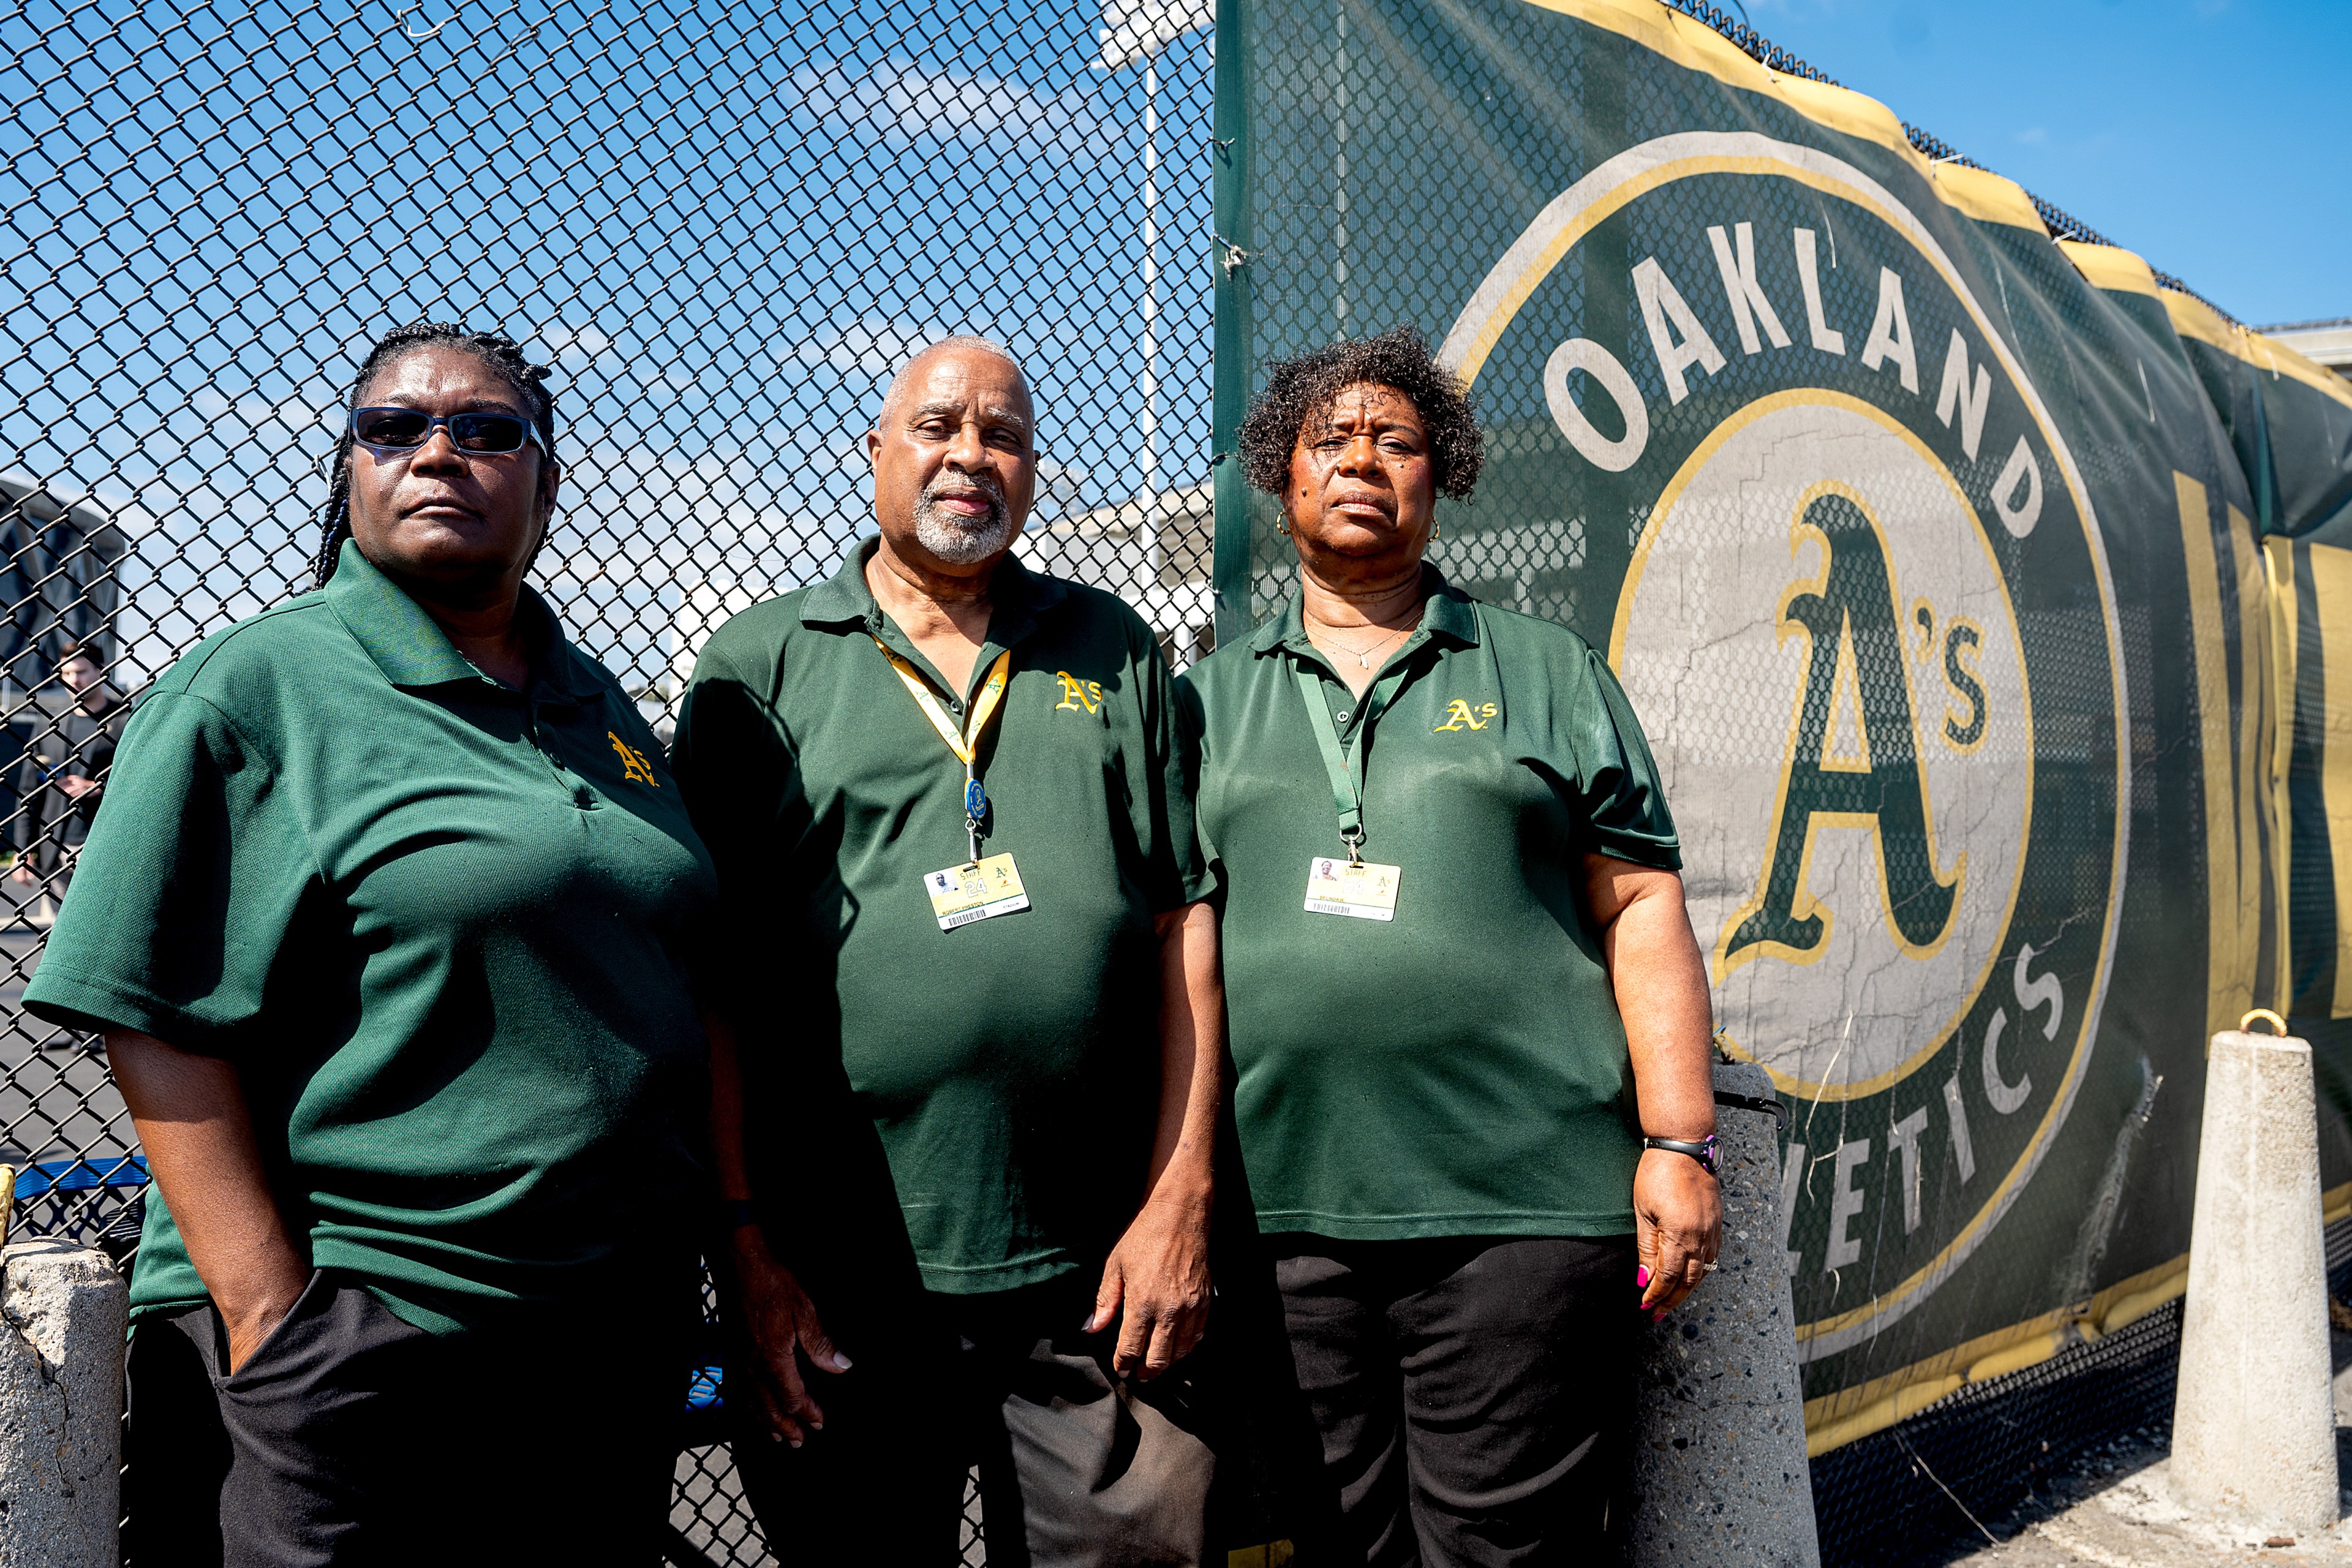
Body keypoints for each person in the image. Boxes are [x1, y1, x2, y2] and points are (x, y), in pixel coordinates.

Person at [23, 322, 715, 1566]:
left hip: (598, 1334)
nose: (439, 451)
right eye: (393, 428)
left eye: (486, 428)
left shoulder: (598, 703)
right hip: (366, 1332)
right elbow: (148, 1014)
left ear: (546, 476)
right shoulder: (256, 685)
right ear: (350, 471)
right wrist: (272, 1319)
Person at [673, 336, 1228, 1563]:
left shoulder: (1114, 648)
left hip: (1096, 1279)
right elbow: (711, 982)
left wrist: (1178, 1200)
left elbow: (1184, 923)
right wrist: (748, 1248)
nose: (973, 453)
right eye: (938, 425)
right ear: (874, 452)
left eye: (1005, 432)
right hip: (842, 1285)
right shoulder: (759, 667)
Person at [1176, 326, 1724, 1563]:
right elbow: (1178, 944)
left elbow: (1640, 905)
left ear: (1442, 476)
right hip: (1285, 1213)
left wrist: (1679, 1139)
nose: (1361, 459)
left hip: (1522, 1209)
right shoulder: (1206, 700)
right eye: (1330, 440)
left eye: (1397, 440)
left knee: (1504, 1549)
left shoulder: (1547, 669)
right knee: (1337, 1545)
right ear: (1281, 477)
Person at [9, 638, 123, 911]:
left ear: (101, 670)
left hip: (105, 847)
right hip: (55, 851)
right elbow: (29, 792)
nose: (74, 680)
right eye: (67, 673)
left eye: (81, 672)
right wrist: (22, 850)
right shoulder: (50, 725)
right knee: (60, 937)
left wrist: (101, 787)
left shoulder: (125, 721)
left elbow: (144, 780)